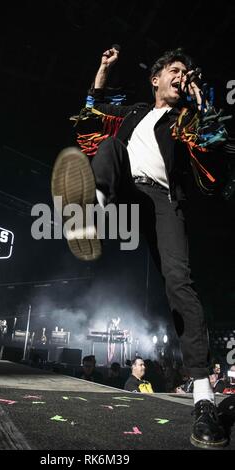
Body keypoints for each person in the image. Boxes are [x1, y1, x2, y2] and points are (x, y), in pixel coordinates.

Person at [52, 47, 228, 448]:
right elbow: (92, 111)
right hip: (129, 193)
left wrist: (200, 97)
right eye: (175, 71)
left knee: (179, 284)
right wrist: (102, 68)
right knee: (111, 147)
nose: (181, 77)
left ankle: (203, 397)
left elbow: (216, 140)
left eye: (186, 72)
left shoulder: (186, 116)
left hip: (165, 203)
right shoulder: (132, 113)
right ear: (157, 78)